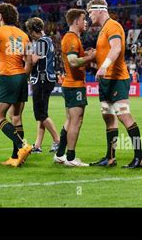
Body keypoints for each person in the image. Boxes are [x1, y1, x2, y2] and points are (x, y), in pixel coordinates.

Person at [87, 0, 142, 169]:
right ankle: (111, 157)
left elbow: (116, 48)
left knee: (123, 115)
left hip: (117, 79)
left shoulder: (113, 26)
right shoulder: (103, 29)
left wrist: (105, 66)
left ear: (99, 10)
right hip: (106, 80)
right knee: (108, 117)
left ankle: (140, 156)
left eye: (91, 11)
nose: (89, 15)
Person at [0, 3, 33, 168]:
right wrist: (24, 76)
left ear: (1, 16)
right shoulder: (24, 35)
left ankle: (22, 145)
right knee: (16, 117)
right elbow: (30, 60)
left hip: (8, 77)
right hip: (22, 77)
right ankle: (16, 157)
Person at [53, 9, 95, 167]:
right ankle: (70, 158)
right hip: (74, 85)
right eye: (84, 19)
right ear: (76, 21)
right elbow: (72, 61)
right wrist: (90, 57)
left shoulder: (72, 38)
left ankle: (59, 154)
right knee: (76, 121)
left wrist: (86, 56)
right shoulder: (71, 38)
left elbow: (77, 60)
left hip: (71, 84)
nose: (86, 22)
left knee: (70, 120)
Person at [25, 17, 60, 154]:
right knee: (42, 113)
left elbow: (33, 61)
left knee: (40, 113)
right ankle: (38, 145)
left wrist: (26, 51)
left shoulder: (40, 42)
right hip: (47, 79)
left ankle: (58, 141)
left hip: (41, 79)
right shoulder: (48, 40)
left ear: (34, 31)